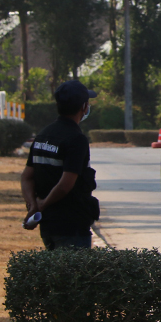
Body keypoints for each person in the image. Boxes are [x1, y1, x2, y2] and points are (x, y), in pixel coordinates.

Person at [21, 80, 100, 250]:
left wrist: (33, 205)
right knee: (74, 275)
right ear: (84, 107)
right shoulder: (76, 139)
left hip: (48, 225)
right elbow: (66, 185)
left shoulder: (43, 135)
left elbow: (26, 177)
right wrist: (42, 205)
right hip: (72, 226)